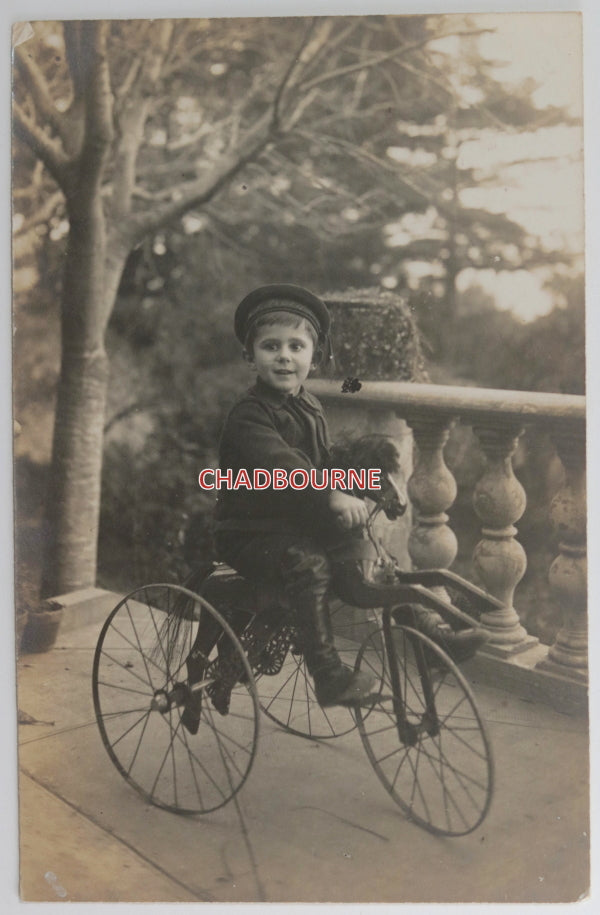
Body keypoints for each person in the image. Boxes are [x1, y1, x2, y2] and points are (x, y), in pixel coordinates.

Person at [207, 284, 487, 710]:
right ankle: (328, 675)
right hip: (250, 531)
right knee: (311, 564)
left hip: (294, 522)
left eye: (296, 346)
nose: (284, 356)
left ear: (313, 358)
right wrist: (330, 494)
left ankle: (430, 635)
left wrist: (371, 479)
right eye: (270, 346)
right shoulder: (249, 417)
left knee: (374, 557)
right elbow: (284, 464)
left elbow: (325, 460)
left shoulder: (311, 406)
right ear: (251, 357)